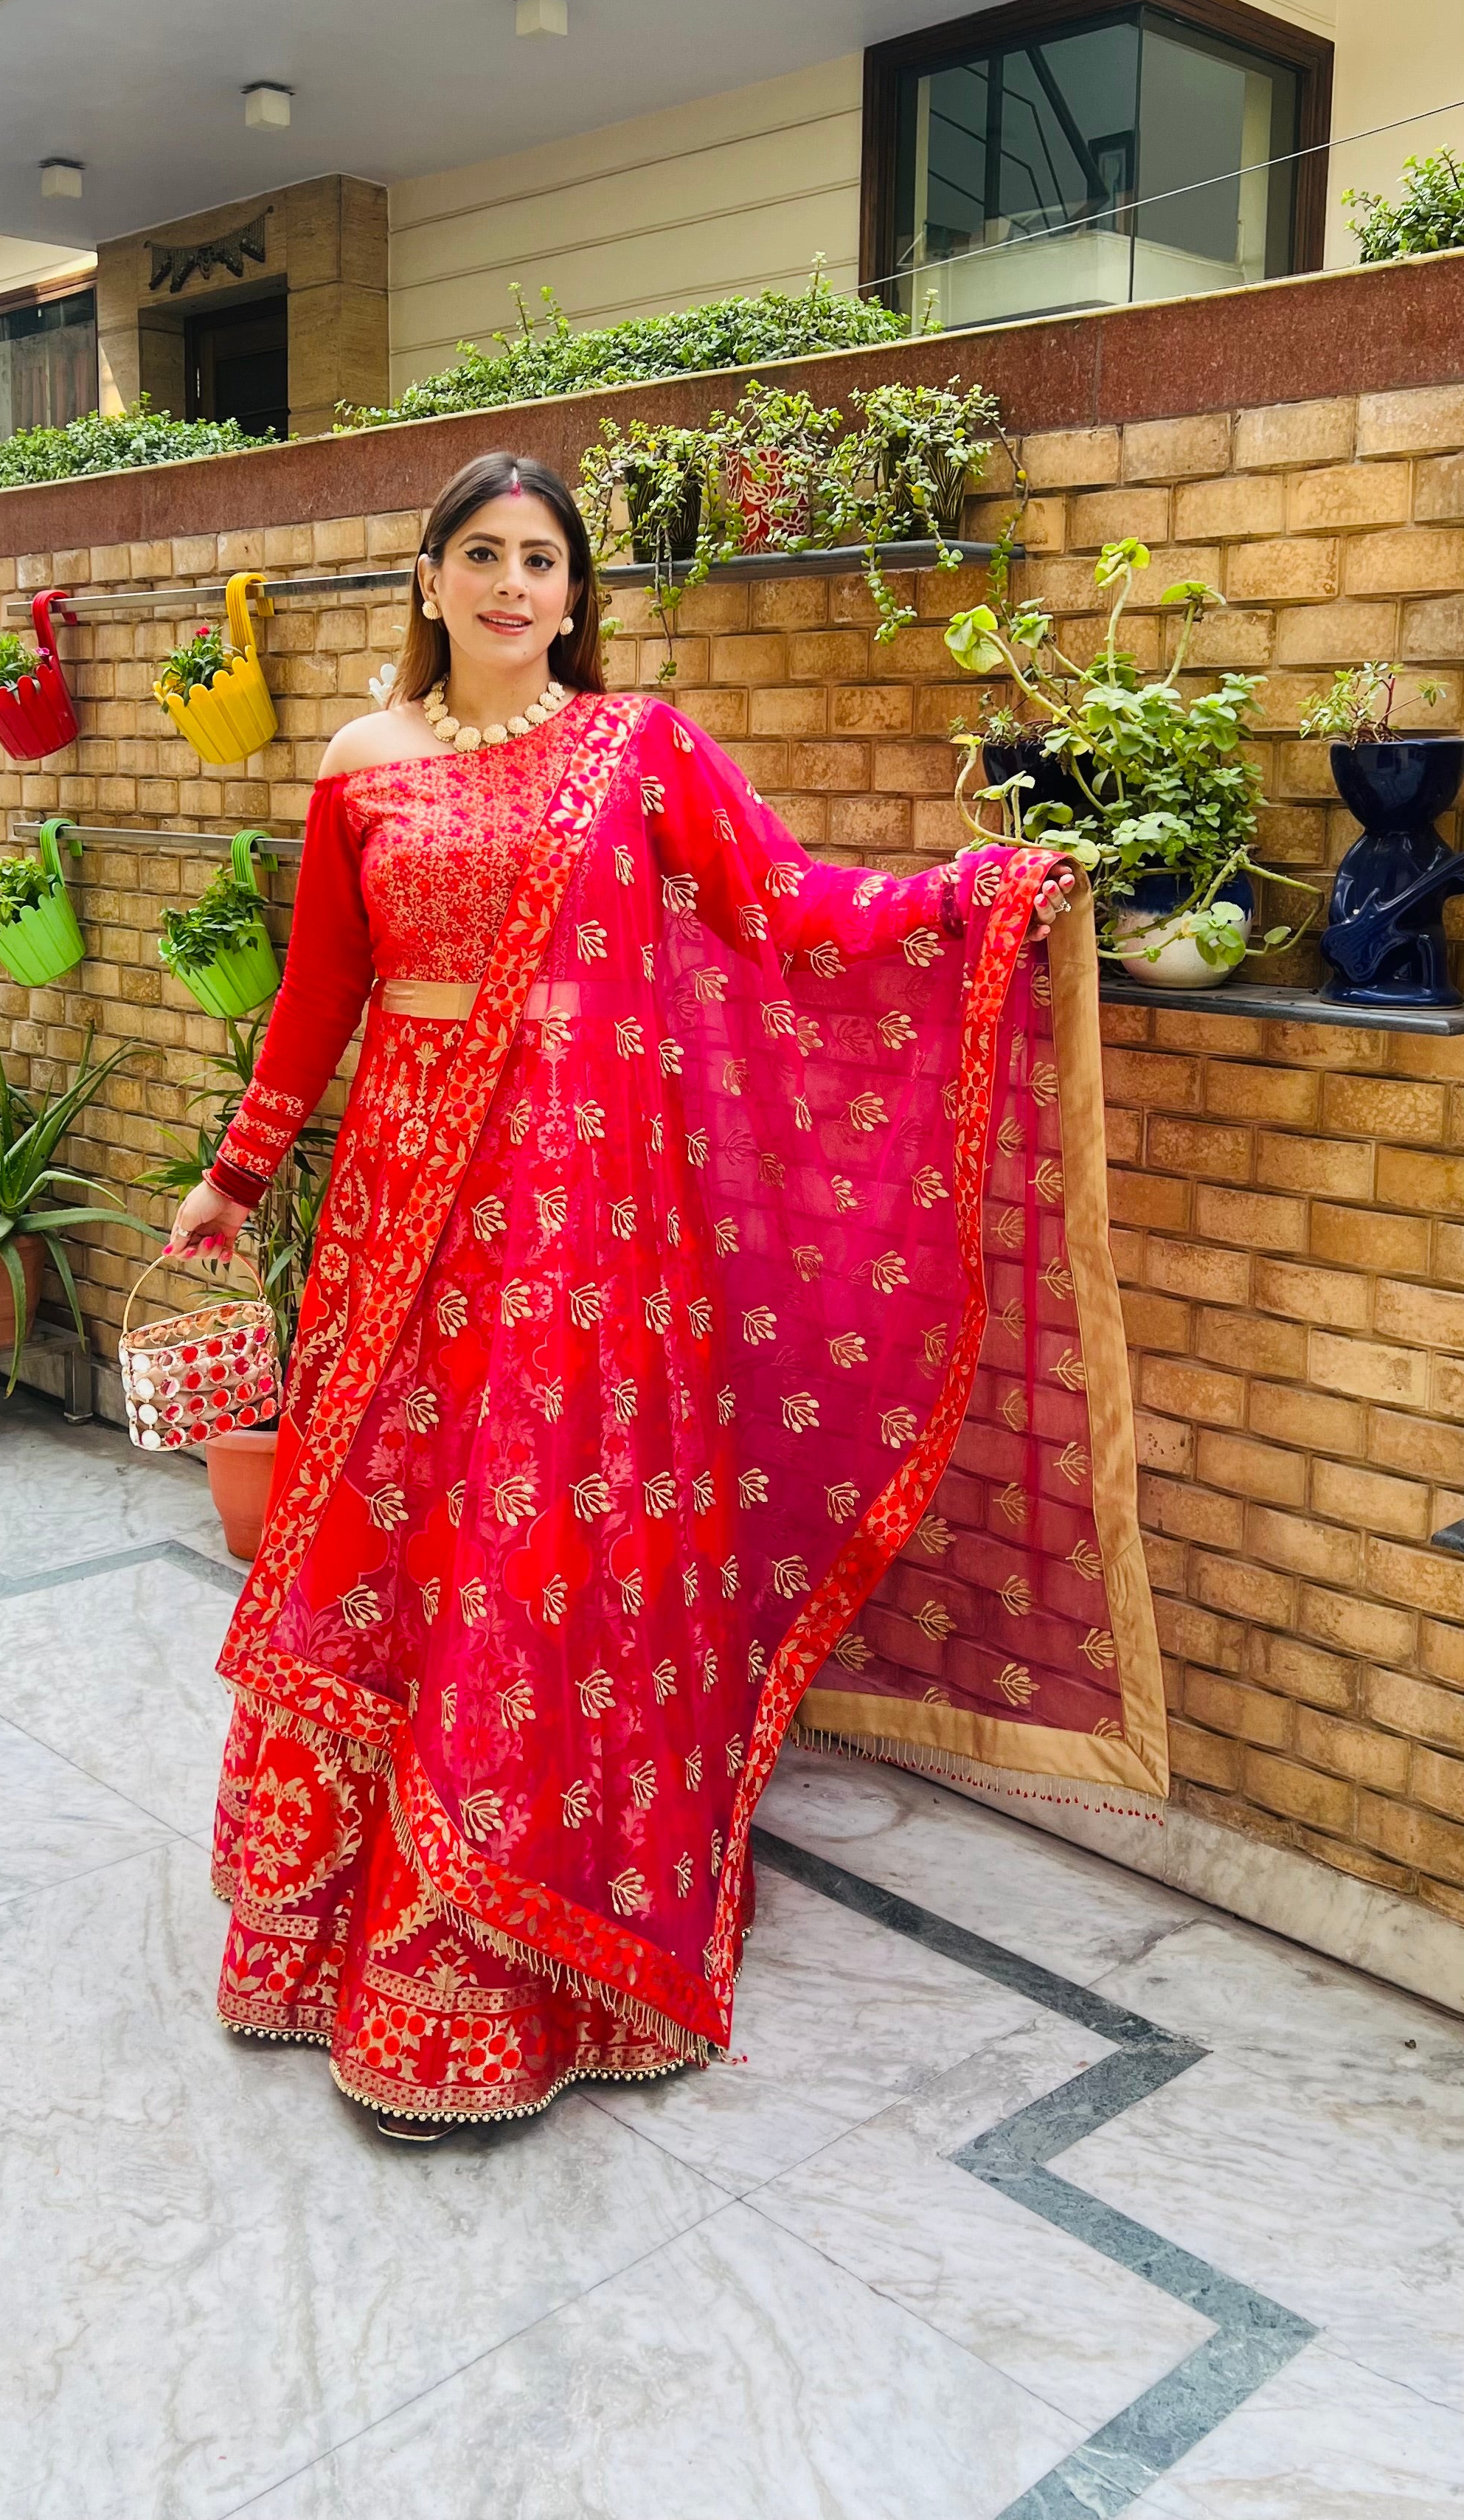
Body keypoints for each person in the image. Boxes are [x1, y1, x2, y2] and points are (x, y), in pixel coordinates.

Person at [167, 449, 1106, 2139]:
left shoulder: (639, 749)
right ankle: (331, 1942)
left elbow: (788, 910)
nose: (514, 586)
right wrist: (236, 1174)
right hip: (403, 1213)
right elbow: (326, 986)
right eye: (482, 556)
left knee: (535, 1555)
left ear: (577, 597)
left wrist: (971, 895)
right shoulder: (362, 763)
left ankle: (517, 1965)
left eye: (543, 560)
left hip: (589, 1239)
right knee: (395, 1532)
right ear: (430, 580)